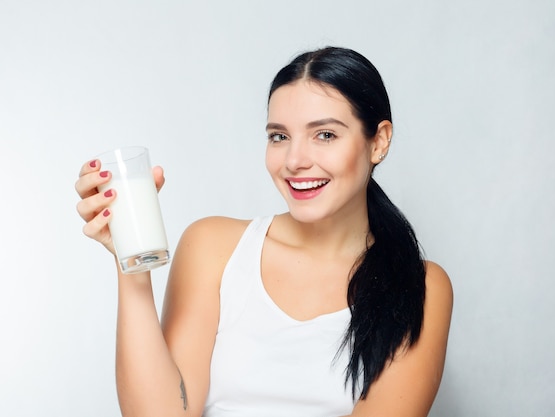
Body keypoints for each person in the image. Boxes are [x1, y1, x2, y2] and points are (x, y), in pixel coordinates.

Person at [75, 46, 453, 417]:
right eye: (279, 136)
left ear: (379, 141)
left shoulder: (418, 285)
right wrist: (131, 260)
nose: (294, 161)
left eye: (324, 135)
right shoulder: (213, 247)